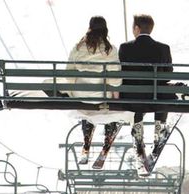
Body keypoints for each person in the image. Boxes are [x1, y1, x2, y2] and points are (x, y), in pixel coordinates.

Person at [119, 14, 175, 175]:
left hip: (132, 99)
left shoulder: (125, 48)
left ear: (136, 28)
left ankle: (138, 141)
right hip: (156, 99)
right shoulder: (164, 48)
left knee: (136, 105)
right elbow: (168, 75)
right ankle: (159, 133)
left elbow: (119, 73)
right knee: (164, 95)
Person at [65, 16, 125, 165]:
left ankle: (86, 145)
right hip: (100, 96)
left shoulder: (78, 47)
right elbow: (115, 80)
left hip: (80, 96)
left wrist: (73, 90)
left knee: (88, 110)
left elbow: (68, 74)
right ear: (105, 30)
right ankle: (106, 147)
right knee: (113, 112)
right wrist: (116, 99)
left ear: (89, 28)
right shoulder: (109, 50)